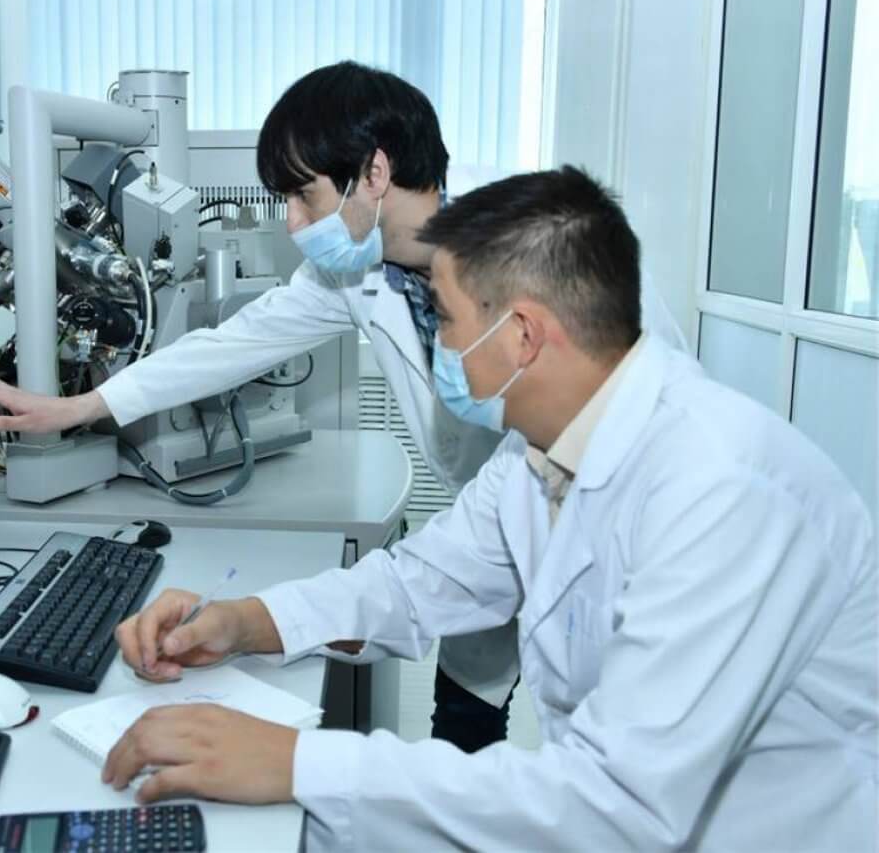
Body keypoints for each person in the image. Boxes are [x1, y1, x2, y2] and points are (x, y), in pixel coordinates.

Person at [105, 167, 877, 851]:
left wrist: (300, 761)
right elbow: (416, 582)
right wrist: (242, 621)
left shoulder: (723, 489)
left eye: (441, 317)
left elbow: (615, 807)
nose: (433, 341)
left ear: (524, 336)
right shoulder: (538, 455)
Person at [0, 62, 687, 751]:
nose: (292, 222)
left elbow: (640, 420)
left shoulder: (556, 269)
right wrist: (77, 407)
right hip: (492, 524)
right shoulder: (362, 271)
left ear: (375, 173)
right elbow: (234, 345)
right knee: (467, 719)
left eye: (303, 195)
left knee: (605, 722)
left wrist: (289, 753)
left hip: (603, 547)